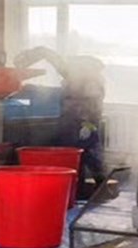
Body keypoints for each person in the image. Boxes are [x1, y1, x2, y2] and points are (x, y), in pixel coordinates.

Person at [14, 47, 107, 199]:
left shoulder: (90, 82)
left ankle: (95, 189)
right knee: (78, 159)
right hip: (71, 122)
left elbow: (93, 106)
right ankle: (79, 191)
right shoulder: (80, 79)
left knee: (88, 157)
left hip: (82, 124)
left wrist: (88, 125)